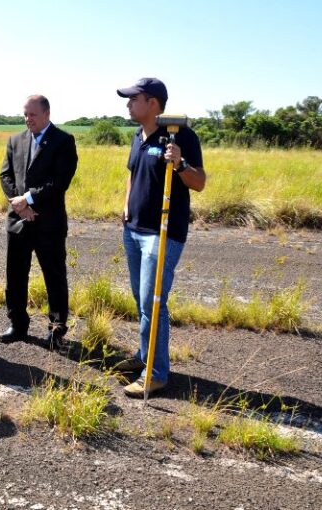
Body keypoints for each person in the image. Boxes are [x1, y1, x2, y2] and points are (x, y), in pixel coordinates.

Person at [115, 77, 207, 397]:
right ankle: (145, 359)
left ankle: (156, 373)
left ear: (152, 103)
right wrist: (127, 206)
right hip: (134, 230)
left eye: (133, 99)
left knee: (153, 304)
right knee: (142, 303)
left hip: (162, 234)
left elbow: (199, 183)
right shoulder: (137, 137)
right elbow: (132, 175)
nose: (127, 104)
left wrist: (179, 163)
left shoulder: (180, 137)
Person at [0, 95, 78, 349]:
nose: (27, 119)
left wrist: (29, 199)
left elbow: (60, 181)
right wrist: (19, 205)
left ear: (46, 114)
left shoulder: (64, 141)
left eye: (32, 114)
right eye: (25, 114)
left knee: (54, 276)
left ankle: (56, 329)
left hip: (49, 224)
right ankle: (18, 324)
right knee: (16, 275)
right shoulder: (15, 140)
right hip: (19, 221)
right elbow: (5, 175)